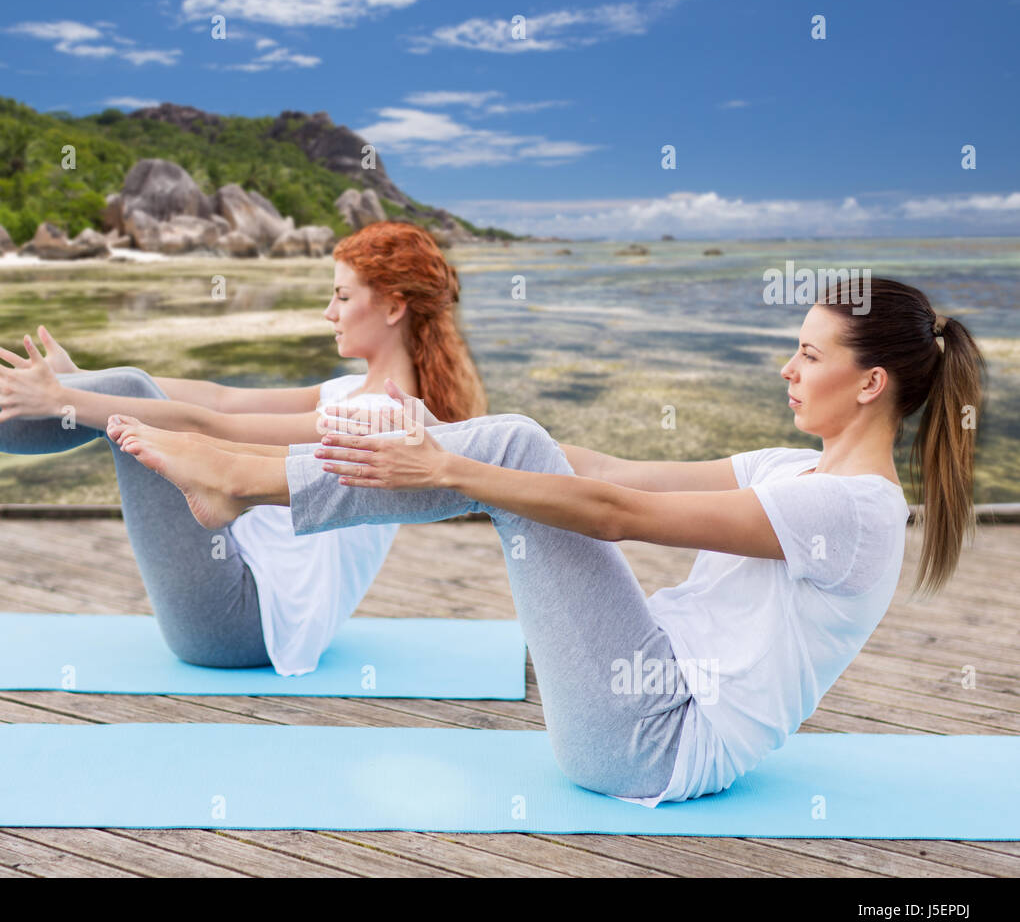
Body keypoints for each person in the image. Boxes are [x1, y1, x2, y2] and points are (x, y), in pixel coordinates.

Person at [107, 278, 986, 804]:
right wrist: (448, 435)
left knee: (513, 450)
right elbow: (615, 470)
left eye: (808, 356)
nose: (786, 370)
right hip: (638, 700)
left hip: (657, 741)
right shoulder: (794, 470)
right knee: (519, 442)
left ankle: (242, 479)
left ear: (870, 383)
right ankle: (240, 476)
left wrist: (454, 472)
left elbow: (615, 516)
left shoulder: (856, 512)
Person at [0, 221, 486, 675]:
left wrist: (73, 398)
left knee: (114, 398)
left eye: (341, 297)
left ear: (393, 305)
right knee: (119, 389)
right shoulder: (354, 392)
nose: (326, 313)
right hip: (244, 597)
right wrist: (83, 385)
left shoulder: (386, 416)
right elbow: (222, 399)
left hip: (238, 626)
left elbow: (212, 432)